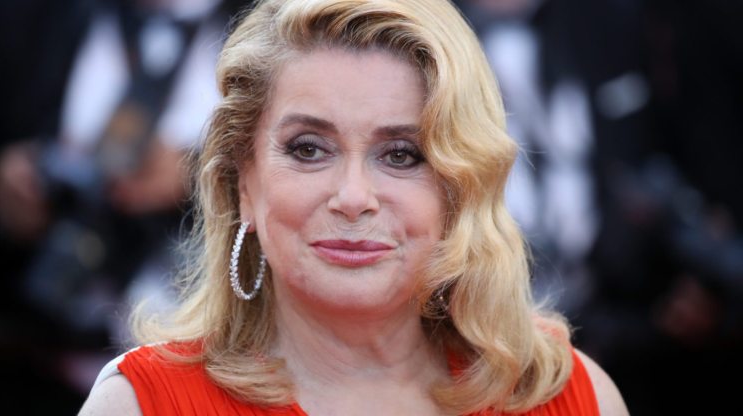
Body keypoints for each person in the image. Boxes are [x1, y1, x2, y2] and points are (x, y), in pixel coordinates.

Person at [79, 0, 628, 414]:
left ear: (461, 186)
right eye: (309, 149)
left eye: (402, 154)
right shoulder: (140, 404)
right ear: (245, 182)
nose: (354, 198)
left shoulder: (573, 395)